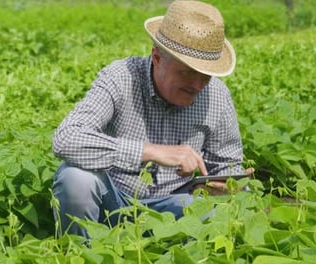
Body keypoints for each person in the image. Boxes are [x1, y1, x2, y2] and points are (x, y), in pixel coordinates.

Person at [51, 0, 254, 238]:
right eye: (187, 72)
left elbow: (228, 164)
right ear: (157, 58)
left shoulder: (217, 96)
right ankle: (79, 254)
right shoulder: (121, 78)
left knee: (218, 214)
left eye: (206, 75)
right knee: (76, 180)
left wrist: (223, 186)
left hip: (176, 206)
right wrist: (150, 152)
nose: (198, 85)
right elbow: (67, 138)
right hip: (114, 200)